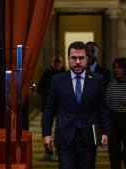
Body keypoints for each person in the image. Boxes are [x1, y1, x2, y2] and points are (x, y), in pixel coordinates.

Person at [42, 41, 111, 169]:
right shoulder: (57, 80)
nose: (78, 62)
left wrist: (105, 132)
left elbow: (104, 109)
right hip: (65, 136)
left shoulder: (98, 80)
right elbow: (49, 109)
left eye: (81, 58)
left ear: (87, 58)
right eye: (74, 58)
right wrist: (46, 134)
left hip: (89, 137)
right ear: (68, 59)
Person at [37, 55, 65, 161]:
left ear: (62, 63)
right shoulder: (47, 73)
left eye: (59, 62)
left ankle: (61, 152)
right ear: (52, 62)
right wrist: (49, 93)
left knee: (61, 130)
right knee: (46, 130)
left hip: (61, 107)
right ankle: (48, 152)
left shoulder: (65, 74)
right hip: (47, 106)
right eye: (55, 62)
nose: (57, 64)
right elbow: (39, 89)